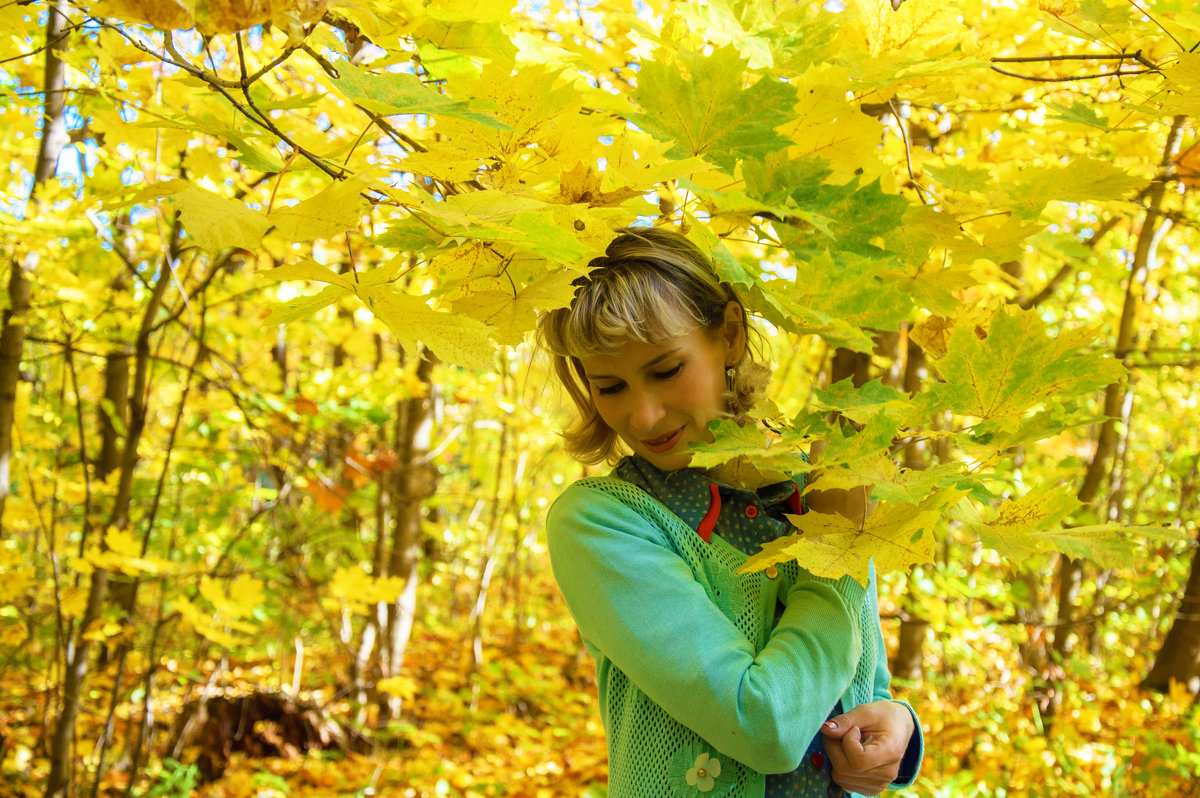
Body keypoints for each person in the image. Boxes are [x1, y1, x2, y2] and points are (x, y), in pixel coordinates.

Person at [537, 226, 923, 798]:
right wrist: (835, 549)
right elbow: (763, 724)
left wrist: (900, 730)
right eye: (610, 386)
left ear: (732, 338)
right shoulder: (601, 522)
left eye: (666, 370)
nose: (643, 416)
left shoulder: (813, 490)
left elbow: (867, 686)